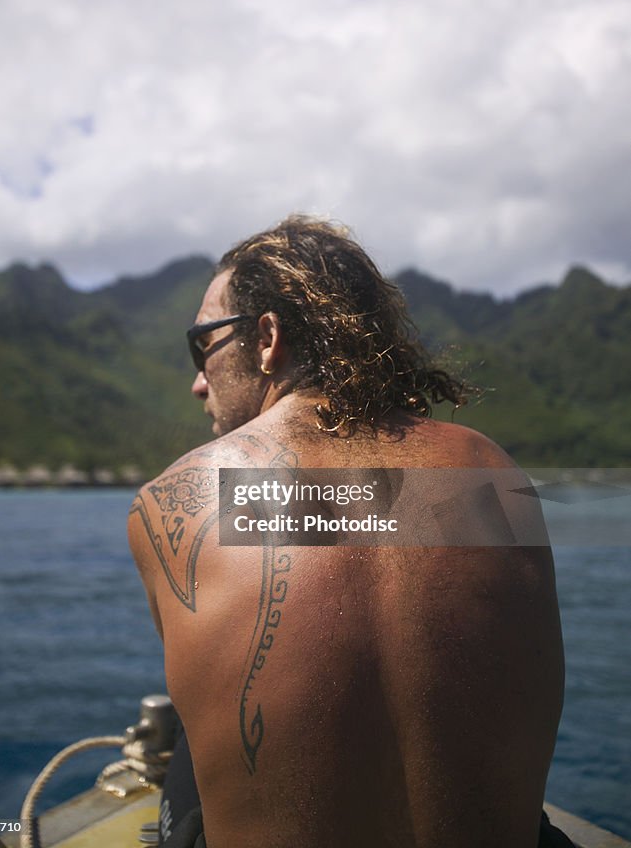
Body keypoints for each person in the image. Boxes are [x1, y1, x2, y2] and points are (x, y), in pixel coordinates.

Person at [128, 216, 568, 848]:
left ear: (266, 338)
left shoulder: (181, 496)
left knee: (190, 759)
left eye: (204, 343)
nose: (199, 379)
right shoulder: (492, 472)